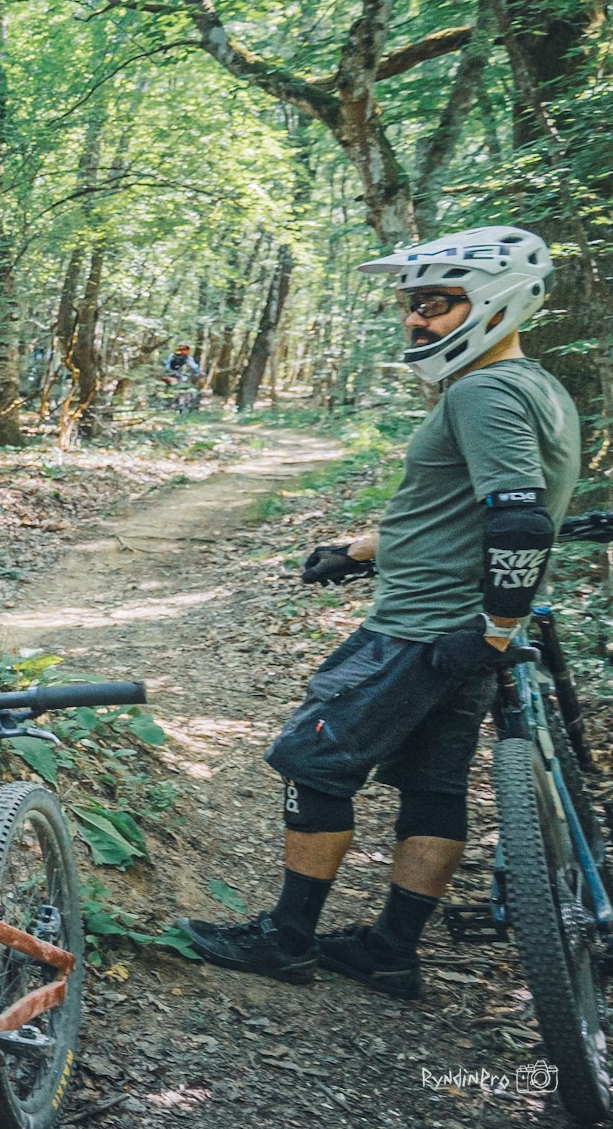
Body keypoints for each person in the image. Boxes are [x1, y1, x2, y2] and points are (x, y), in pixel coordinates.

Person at [178, 225, 579, 998]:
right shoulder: (538, 386)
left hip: (428, 628)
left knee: (310, 758)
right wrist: (363, 549)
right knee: (434, 787)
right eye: (412, 304)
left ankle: (287, 937)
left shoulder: (483, 390)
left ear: (494, 302)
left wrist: (491, 627)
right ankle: (389, 950)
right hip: (460, 631)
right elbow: (464, 509)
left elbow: (520, 519)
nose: (416, 319)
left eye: (437, 302)